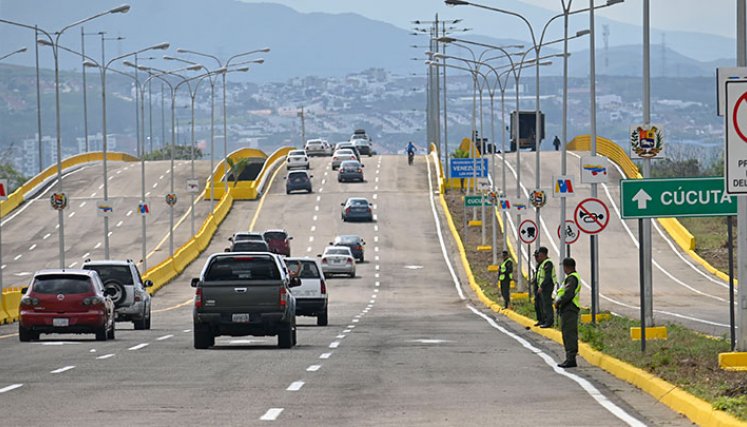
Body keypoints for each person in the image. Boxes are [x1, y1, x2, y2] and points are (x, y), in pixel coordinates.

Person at [555, 257, 581, 368]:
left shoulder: (572, 279)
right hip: (568, 309)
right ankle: (569, 358)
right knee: (567, 333)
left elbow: (568, 294)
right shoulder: (572, 277)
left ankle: (571, 359)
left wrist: (559, 302)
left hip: (569, 309)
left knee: (569, 334)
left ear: (567, 267)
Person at [535, 246, 557, 328]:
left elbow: (548, 277)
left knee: (547, 304)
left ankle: (549, 321)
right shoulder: (543, 263)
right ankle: (543, 320)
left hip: (547, 287)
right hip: (542, 287)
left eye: (540, 255)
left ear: (544, 255)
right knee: (542, 304)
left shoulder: (548, 263)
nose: (539, 257)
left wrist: (542, 287)